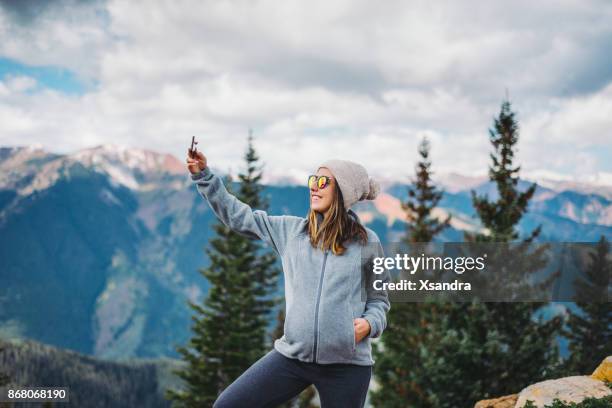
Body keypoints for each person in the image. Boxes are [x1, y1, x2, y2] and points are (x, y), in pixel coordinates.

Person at [186, 149, 391, 408]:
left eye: (323, 182)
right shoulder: (291, 232)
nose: (314, 188)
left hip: (347, 366)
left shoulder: (367, 241)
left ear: (343, 191)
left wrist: (370, 324)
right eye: (313, 181)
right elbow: (239, 217)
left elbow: (380, 299)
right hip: (293, 357)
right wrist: (203, 176)